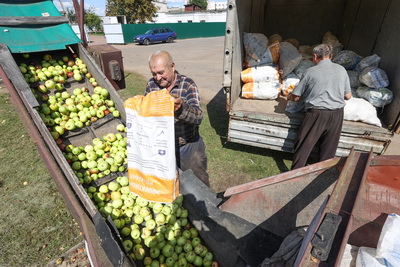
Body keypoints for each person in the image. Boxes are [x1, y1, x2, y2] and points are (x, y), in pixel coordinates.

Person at [145, 51, 210, 186]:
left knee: (198, 183)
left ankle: (205, 206)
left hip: (188, 146)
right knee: (170, 184)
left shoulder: (187, 85)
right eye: (153, 74)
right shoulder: (151, 85)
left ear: (172, 66)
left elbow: (198, 117)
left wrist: (181, 109)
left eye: (161, 72)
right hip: (162, 147)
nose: (157, 78)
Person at [287, 44, 352, 170]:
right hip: (337, 114)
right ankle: (321, 175)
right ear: (331, 56)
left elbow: (296, 97)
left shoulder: (311, 71)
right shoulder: (341, 70)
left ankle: (294, 175)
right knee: (328, 150)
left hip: (316, 115)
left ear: (315, 56)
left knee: (304, 146)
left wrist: (289, 96)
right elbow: (348, 96)